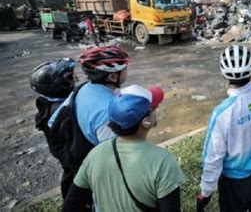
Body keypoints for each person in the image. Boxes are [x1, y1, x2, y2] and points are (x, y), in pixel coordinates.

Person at [62, 84, 186, 212]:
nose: (157, 108)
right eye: (153, 107)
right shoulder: (163, 162)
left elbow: (70, 205)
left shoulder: (95, 154)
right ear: (145, 121)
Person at [197, 45, 251, 212]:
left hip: (235, 183)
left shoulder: (222, 113)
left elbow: (213, 157)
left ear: (223, 75)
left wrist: (206, 191)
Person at [48, 46, 130, 195]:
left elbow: (53, 121)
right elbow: (115, 160)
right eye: (125, 68)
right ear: (112, 77)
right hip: (94, 172)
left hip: (74, 156)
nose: (127, 71)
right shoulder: (109, 110)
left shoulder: (82, 88)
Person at [30, 58, 77, 198]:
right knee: (74, 182)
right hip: (69, 155)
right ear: (58, 85)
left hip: (63, 153)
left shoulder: (48, 101)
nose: (74, 79)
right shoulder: (61, 110)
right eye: (69, 77)